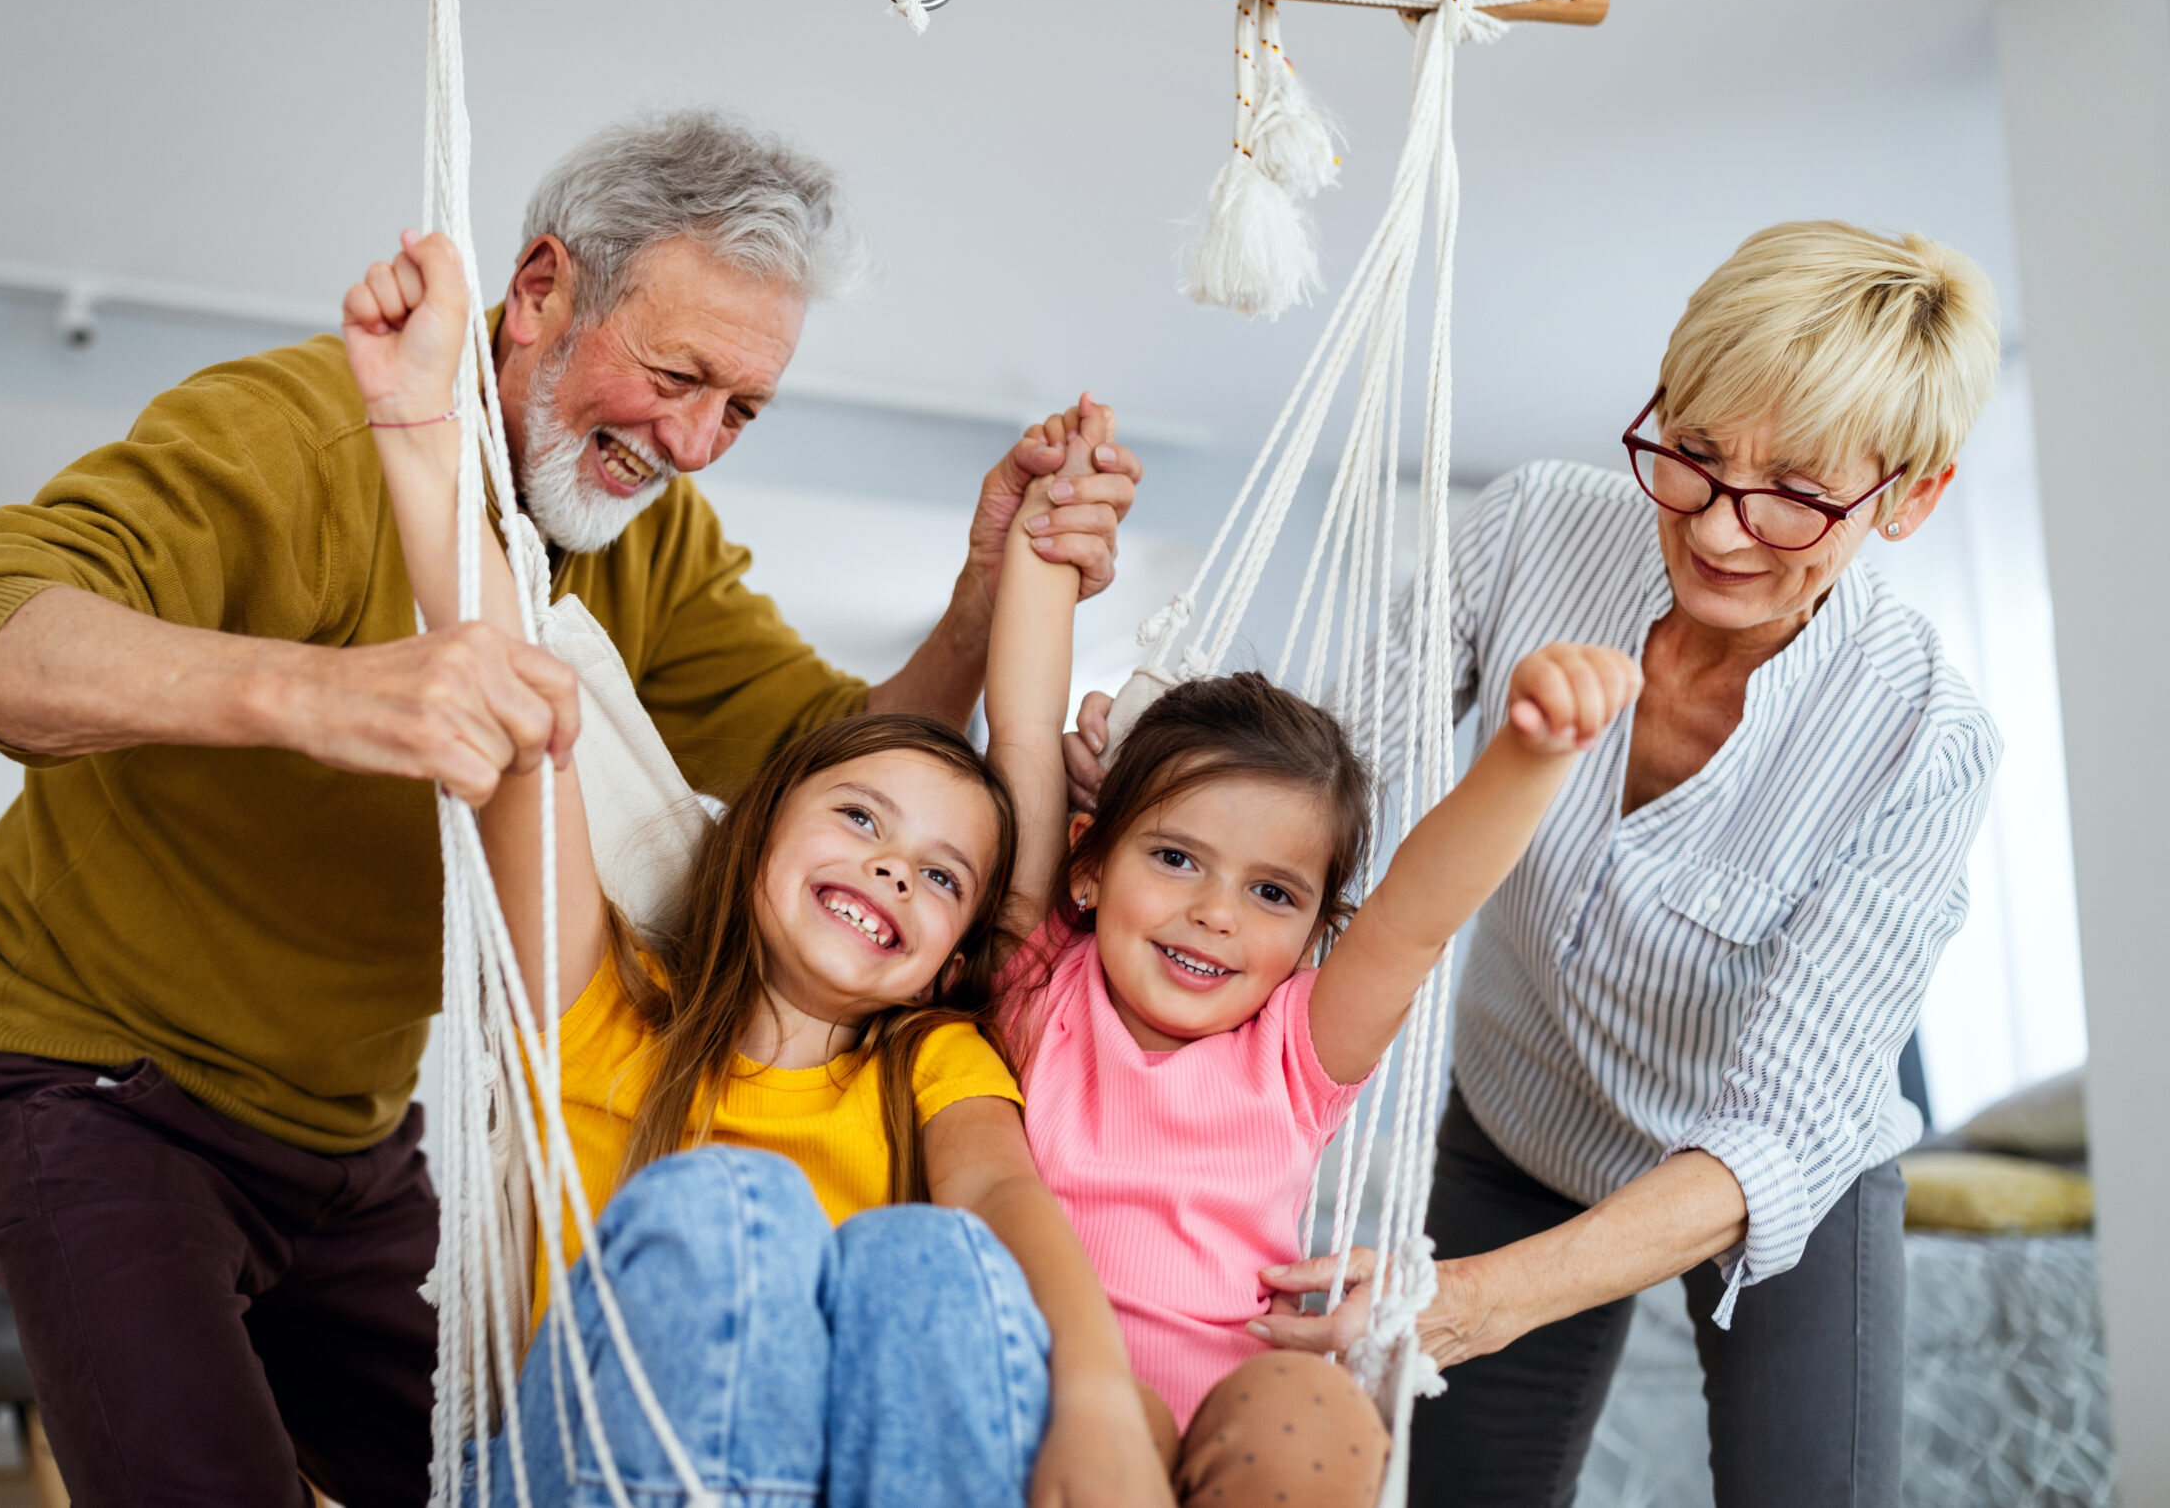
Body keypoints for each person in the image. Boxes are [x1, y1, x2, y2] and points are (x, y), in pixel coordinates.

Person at [0, 110, 1144, 1507]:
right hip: (96, 1082)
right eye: (676, 374)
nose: (694, 439)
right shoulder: (293, 440)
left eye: (740, 406)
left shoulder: (640, 529)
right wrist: (321, 693)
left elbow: (830, 767)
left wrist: (983, 598)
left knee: (524, 1461)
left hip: (347, 1133)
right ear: (540, 291)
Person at [358, 229, 1170, 1506]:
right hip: (588, 1465)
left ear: (955, 957)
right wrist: (417, 432)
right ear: (754, 836)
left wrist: (1096, 1395)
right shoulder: (605, 1005)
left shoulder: (933, 1066)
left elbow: (1007, 1204)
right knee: (736, 1211)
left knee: (931, 1262)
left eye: (945, 878)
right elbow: (517, 720)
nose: (897, 870)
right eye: (857, 819)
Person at [1231, 221, 2003, 1508]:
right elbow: (1323, 788)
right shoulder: (1533, 524)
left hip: (1774, 1181)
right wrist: (1162, 790)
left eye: (1797, 494)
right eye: (1692, 454)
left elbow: (1774, 1133)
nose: (1719, 528)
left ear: (1912, 497)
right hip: (1519, 1119)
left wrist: (1472, 1303)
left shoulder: (1923, 737)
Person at [983, 401, 1642, 1505]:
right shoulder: (1042, 980)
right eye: (1177, 859)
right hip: (1069, 1407)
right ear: (1087, 867)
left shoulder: (1293, 1051)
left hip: (1249, 1428)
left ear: (1308, 934)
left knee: (1326, 1412)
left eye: (1272, 892)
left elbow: (1417, 917)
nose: (1216, 914)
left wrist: (1531, 754)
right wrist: (1049, 539)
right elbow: (1022, 730)